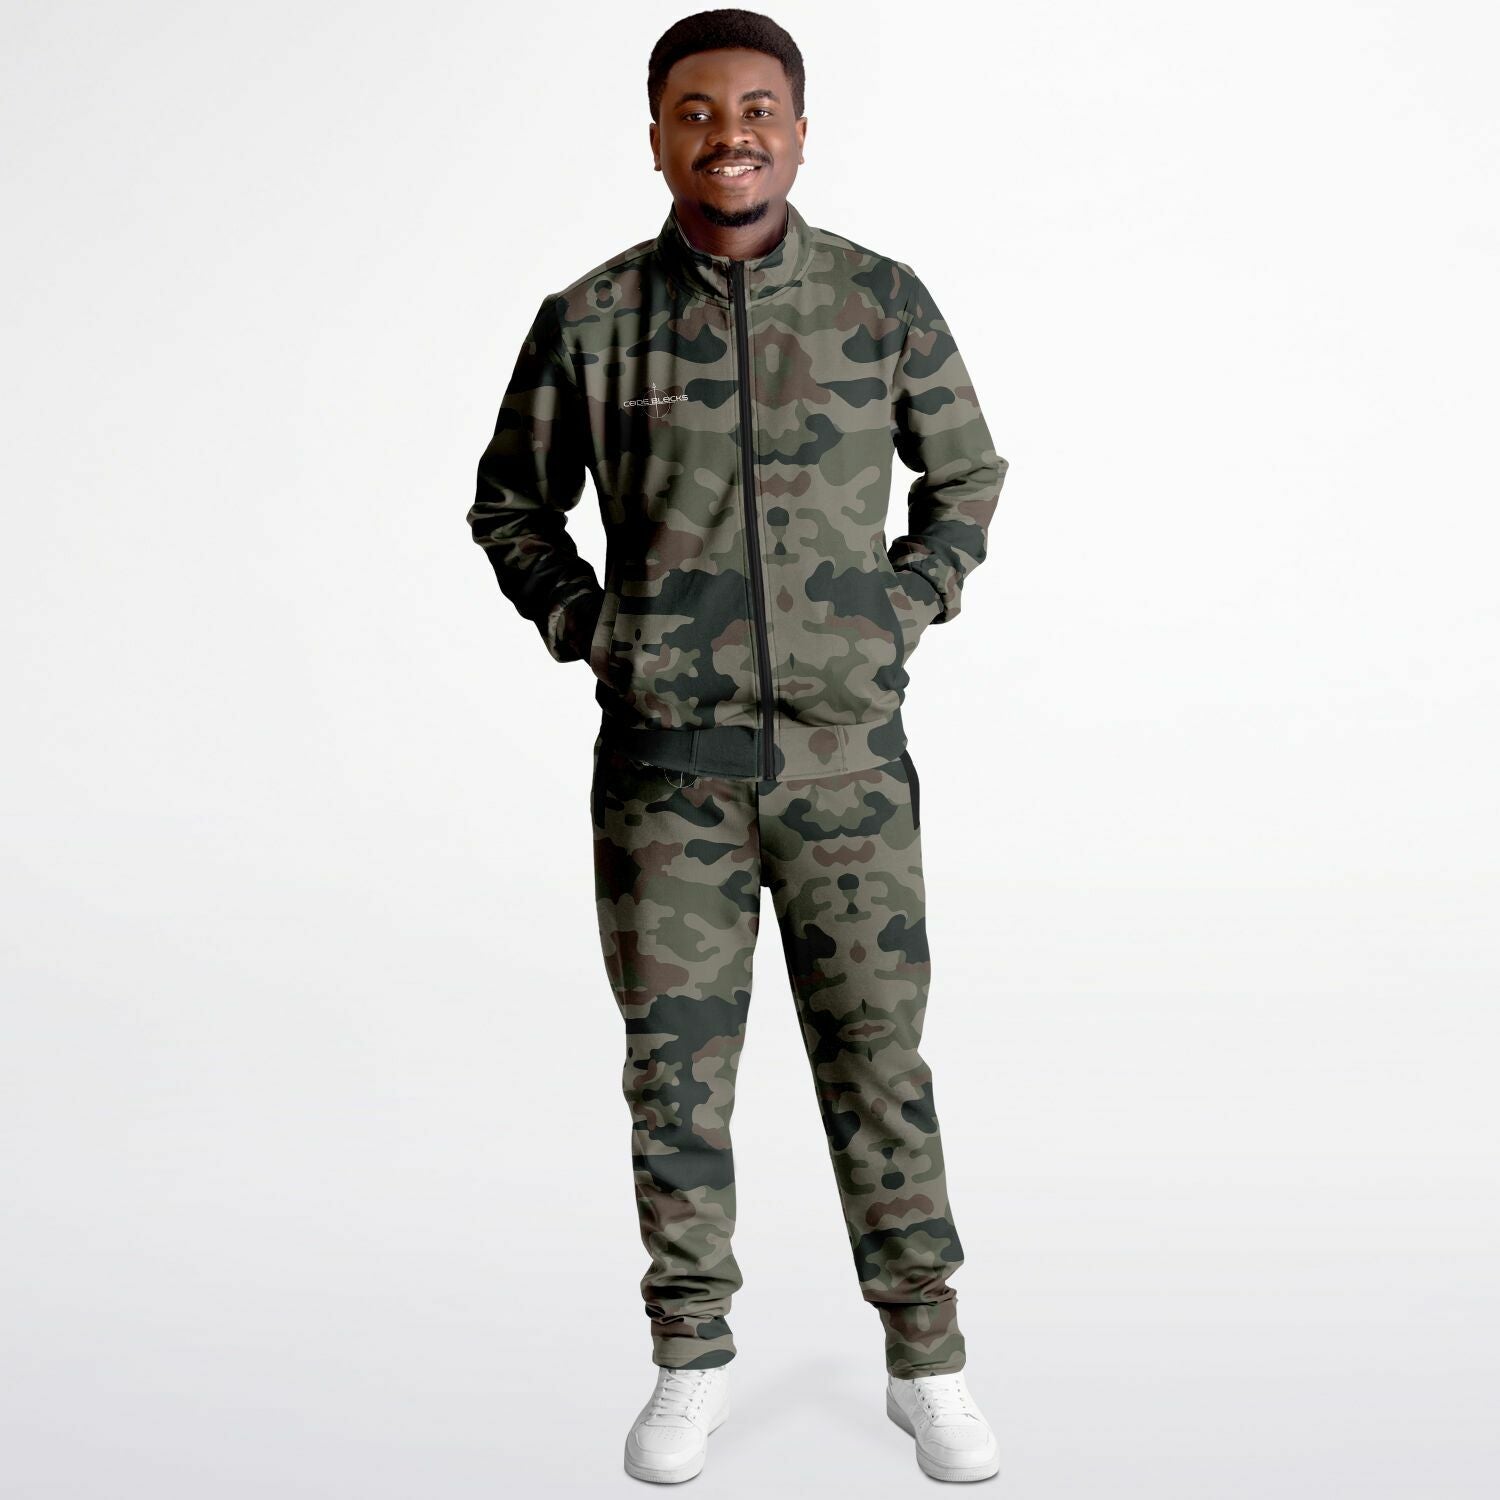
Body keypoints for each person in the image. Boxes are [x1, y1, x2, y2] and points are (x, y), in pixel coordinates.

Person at [467, 7, 1008, 1484]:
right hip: (666, 778)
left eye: (758, 108)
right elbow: (511, 506)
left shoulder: (880, 301)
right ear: (657, 136)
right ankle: (689, 1358)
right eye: (696, 111)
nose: (730, 135)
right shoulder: (593, 319)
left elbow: (965, 476)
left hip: (847, 772)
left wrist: (899, 608)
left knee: (878, 1066)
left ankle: (927, 1361)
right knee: (675, 1081)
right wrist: (595, 631)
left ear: (802, 129)